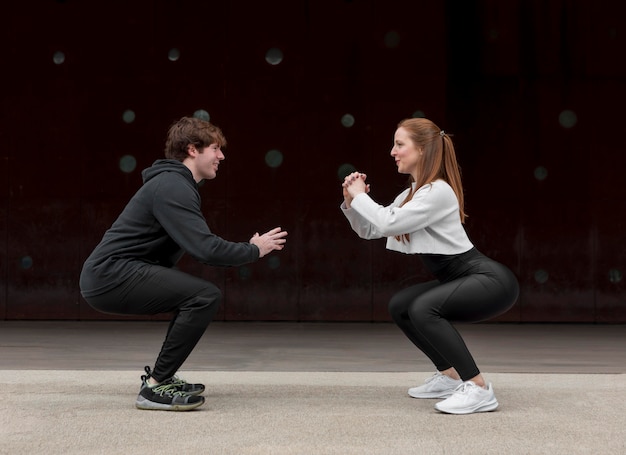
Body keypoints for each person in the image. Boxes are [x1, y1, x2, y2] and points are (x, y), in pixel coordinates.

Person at [80, 116, 288, 411]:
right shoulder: (172, 186)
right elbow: (205, 248)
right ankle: (155, 388)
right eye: (215, 149)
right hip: (109, 276)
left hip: (114, 274)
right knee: (203, 296)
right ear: (193, 149)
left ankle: (161, 378)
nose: (221, 156)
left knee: (194, 295)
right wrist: (253, 250)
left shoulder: (175, 183)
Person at [340, 117, 519, 415]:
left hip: (491, 281)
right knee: (402, 305)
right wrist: (350, 203)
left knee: (423, 308)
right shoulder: (413, 193)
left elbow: (387, 220)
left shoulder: (438, 191)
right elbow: (373, 229)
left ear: (422, 149)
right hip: (463, 279)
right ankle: (449, 377)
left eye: (400, 145)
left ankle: (478, 388)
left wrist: (361, 195)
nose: (392, 152)